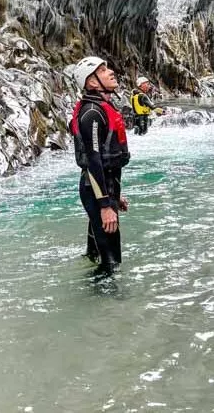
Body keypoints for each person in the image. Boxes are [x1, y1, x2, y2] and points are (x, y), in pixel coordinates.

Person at [69, 56, 130, 273]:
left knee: (96, 255)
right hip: (96, 191)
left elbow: (103, 163)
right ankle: (110, 304)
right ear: (92, 82)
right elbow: (93, 160)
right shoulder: (92, 114)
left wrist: (115, 195)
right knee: (111, 263)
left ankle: (94, 296)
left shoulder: (99, 108)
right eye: (102, 70)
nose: (110, 72)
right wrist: (105, 205)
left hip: (102, 188)